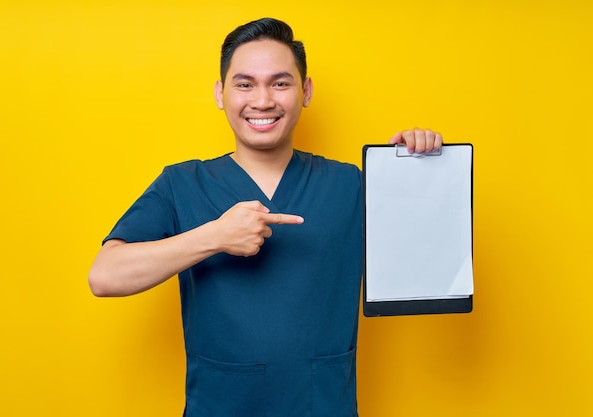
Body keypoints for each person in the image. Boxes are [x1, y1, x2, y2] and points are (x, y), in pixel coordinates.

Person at [89, 17, 442, 417]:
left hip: (323, 406)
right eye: (245, 84)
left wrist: (420, 170)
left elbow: (426, 262)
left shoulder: (350, 184)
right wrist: (215, 236)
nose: (262, 100)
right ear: (221, 94)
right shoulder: (181, 184)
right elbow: (105, 276)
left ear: (305, 91)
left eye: (280, 83)